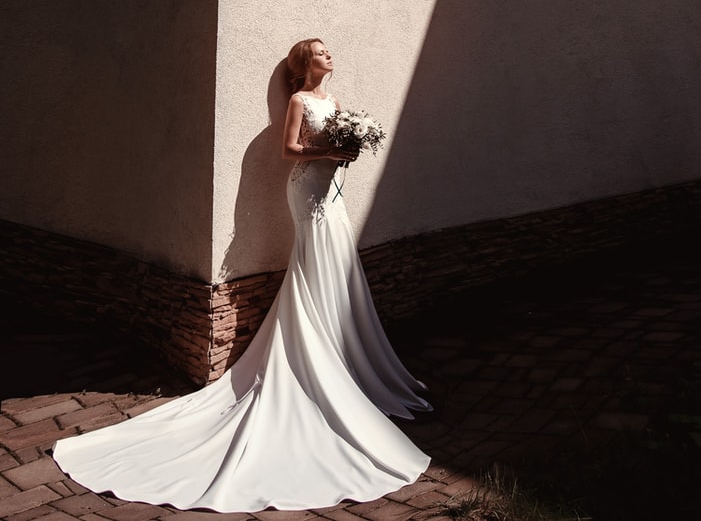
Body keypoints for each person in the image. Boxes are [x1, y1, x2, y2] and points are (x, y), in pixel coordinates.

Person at [53, 38, 431, 512]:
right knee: (313, 262)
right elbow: (290, 150)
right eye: (320, 51)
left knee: (337, 263)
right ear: (303, 64)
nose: (328, 55)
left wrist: (346, 149)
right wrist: (327, 152)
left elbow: (333, 143)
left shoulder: (332, 102)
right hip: (307, 193)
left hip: (332, 193)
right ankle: (313, 358)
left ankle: (344, 353)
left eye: (328, 50)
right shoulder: (298, 100)